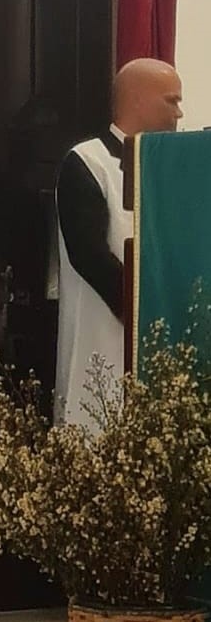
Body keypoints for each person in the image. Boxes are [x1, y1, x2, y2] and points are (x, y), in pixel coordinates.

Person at [54, 56, 183, 428]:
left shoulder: (172, 168)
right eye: (171, 100)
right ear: (139, 99)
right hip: (105, 338)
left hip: (161, 350)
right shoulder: (86, 162)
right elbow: (90, 255)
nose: (179, 113)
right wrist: (150, 311)